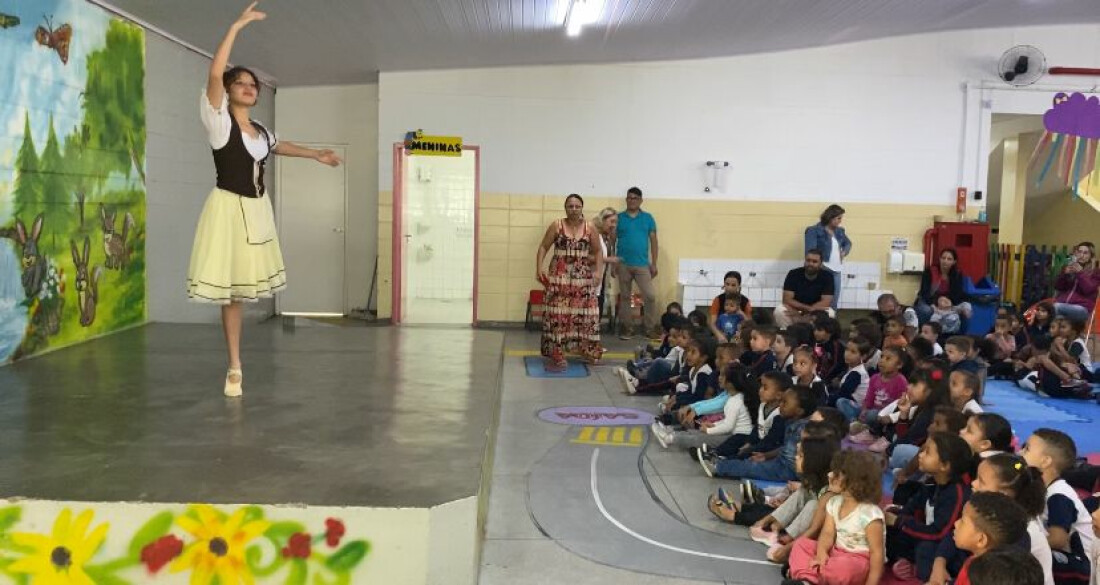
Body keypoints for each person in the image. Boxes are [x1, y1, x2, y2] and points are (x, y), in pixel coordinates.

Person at [188, 1, 342, 398]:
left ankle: (237, 363)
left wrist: (317, 155)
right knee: (231, 293)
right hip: (228, 209)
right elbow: (213, 73)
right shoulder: (218, 122)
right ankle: (234, 366)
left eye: (253, 85)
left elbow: (279, 145)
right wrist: (236, 27)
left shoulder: (258, 129)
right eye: (241, 82)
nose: (249, 88)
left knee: (241, 291)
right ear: (228, 89)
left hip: (257, 210)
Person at [536, 194, 605, 370]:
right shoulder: (556, 225)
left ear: (582, 207)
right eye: (570, 206)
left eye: (577, 206)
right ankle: (557, 352)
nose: (574, 209)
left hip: (582, 278)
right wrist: (539, 268)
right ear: (565, 208)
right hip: (559, 277)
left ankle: (586, 349)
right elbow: (544, 246)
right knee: (558, 315)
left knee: (587, 314)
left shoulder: (590, 228)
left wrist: (598, 272)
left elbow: (598, 252)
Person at [616, 186, 659, 340]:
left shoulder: (648, 218)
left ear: (641, 200)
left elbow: (654, 241)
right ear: (626, 199)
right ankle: (627, 328)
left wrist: (654, 263)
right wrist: (613, 262)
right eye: (629, 198)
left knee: (650, 296)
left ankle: (649, 328)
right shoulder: (619, 218)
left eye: (635, 198)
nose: (631, 200)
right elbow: (612, 240)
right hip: (623, 264)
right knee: (625, 297)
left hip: (642, 264)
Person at [805, 204, 851, 310]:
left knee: (833, 303)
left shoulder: (839, 231)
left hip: (837, 271)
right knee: (818, 301)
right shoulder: (814, 230)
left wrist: (844, 252)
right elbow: (810, 251)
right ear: (830, 217)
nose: (840, 221)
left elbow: (848, 243)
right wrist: (819, 266)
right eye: (838, 218)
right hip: (822, 269)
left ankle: (831, 324)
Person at [774, 250, 836, 329]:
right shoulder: (793, 274)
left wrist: (809, 313)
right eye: (808, 260)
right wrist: (801, 313)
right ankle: (787, 335)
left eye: (814, 261)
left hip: (815, 312)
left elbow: (826, 302)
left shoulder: (827, 277)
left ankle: (817, 338)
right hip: (795, 310)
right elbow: (787, 299)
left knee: (830, 313)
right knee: (780, 310)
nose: (810, 264)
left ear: (821, 264)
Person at [916, 248, 972, 325]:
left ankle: (954, 334)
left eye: (949, 259)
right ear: (939, 259)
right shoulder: (930, 271)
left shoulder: (957, 274)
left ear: (954, 262)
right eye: (943, 258)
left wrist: (949, 304)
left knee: (966, 308)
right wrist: (933, 305)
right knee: (927, 310)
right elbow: (925, 292)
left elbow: (957, 293)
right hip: (929, 300)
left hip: (947, 302)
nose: (945, 261)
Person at [1053, 242, 1098, 322]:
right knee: (1042, 310)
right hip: (1063, 304)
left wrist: (1080, 273)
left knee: (1055, 308)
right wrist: (1064, 274)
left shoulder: (1095, 272)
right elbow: (1058, 287)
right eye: (1079, 252)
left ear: (1091, 256)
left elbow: (1088, 289)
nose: (1081, 255)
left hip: (1082, 308)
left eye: (1085, 253)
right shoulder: (1069, 267)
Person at [591, 207, 621, 322]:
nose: (614, 225)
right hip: (591, 279)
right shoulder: (593, 235)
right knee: (592, 314)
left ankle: (594, 338)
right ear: (602, 220)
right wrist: (608, 259)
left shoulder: (606, 237)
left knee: (598, 311)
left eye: (616, 222)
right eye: (611, 222)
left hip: (601, 279)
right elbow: (585, 257)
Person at [708, 270, 753, 343]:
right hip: (721, 334)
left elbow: (750, 324)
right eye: (727, 284)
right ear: (724, 285)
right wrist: (719, 335)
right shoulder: (718, 300)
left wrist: (737, 338)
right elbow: (712, 323)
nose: (729, 287)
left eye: (733, 285)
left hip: (739, 337)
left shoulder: (745, 301)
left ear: (739, 286)